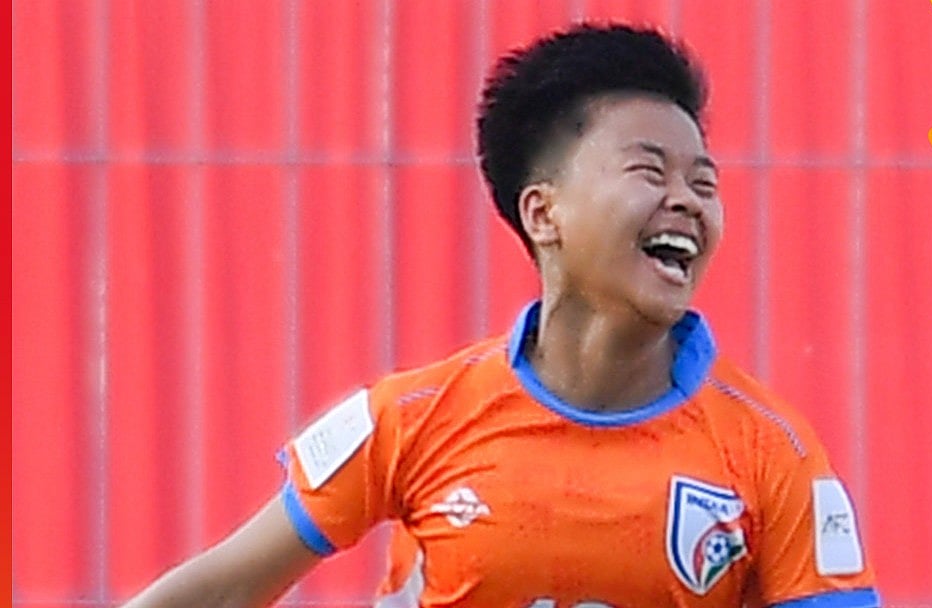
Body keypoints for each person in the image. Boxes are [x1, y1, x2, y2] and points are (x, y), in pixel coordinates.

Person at [124, 23, 880, 608]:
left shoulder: (771, 454)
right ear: (543, 213)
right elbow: (220, 591)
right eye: (651, 170)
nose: (687, 200)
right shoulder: (412, 421)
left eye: (703, 182)